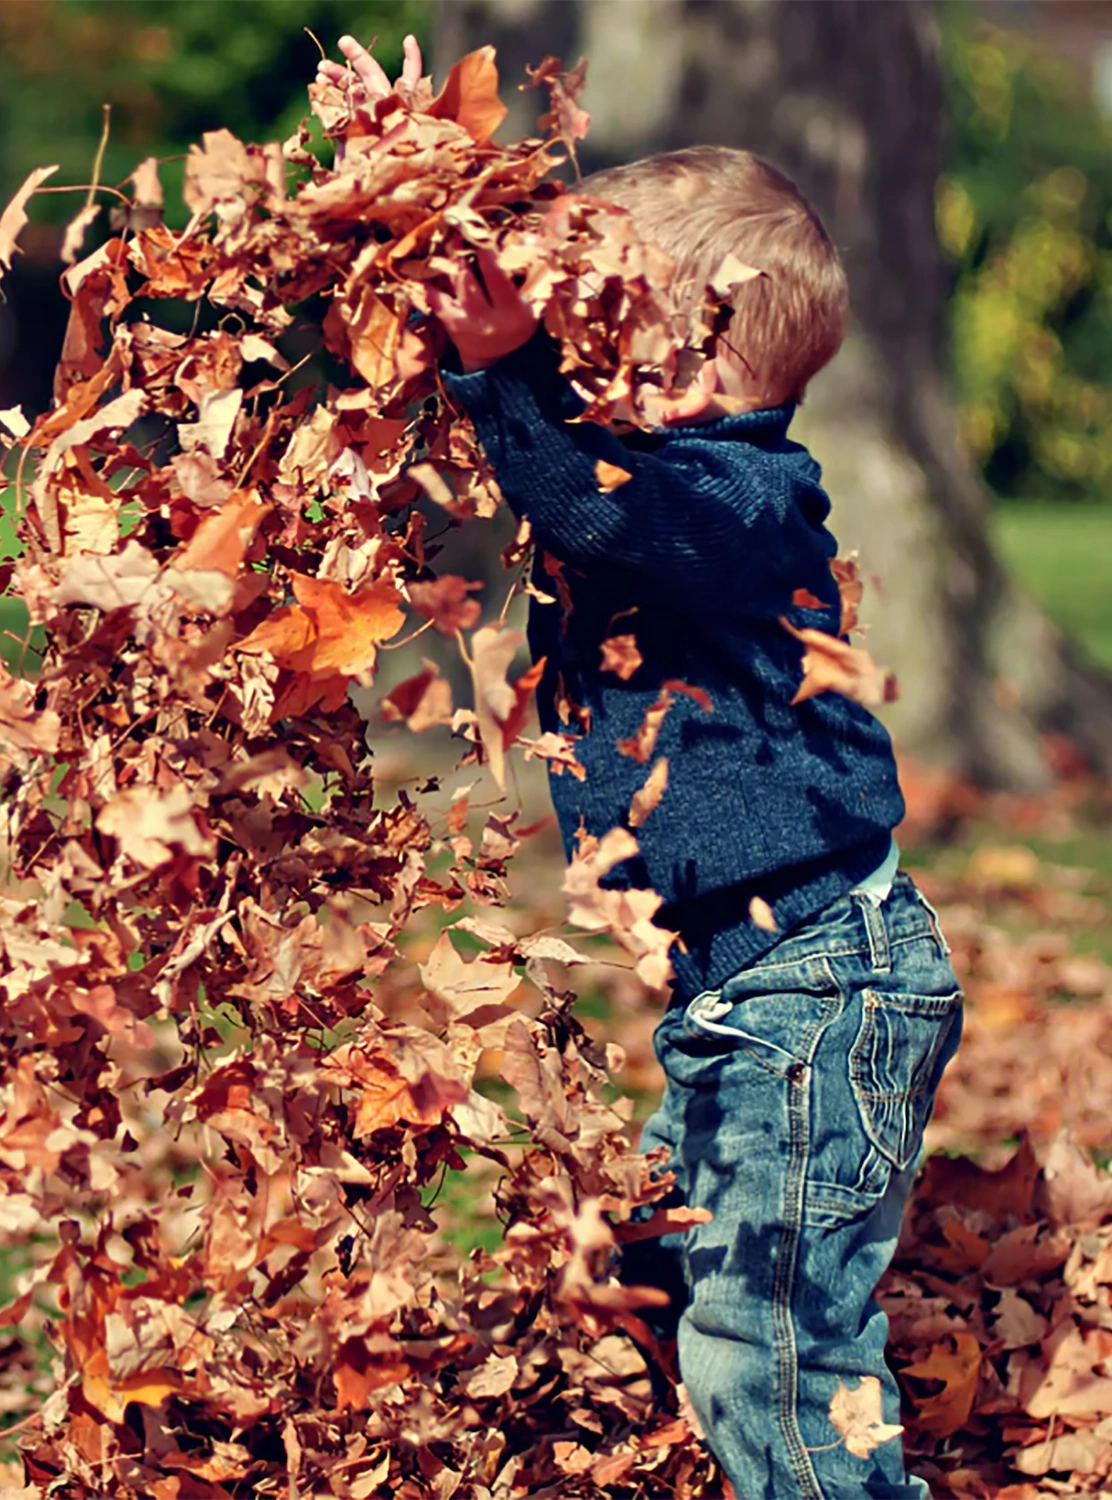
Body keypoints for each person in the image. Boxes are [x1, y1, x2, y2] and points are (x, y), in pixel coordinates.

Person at [322, 36, 963, 1500]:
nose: (565, 366)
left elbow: (600, 514)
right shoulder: (667, 484)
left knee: (775, 1347)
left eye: (594, 333)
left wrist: (506, 387)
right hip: (750, 992)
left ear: (696, 352)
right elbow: (569, 484)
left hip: (819, 993)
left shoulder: (743, 500)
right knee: (667, 1260)